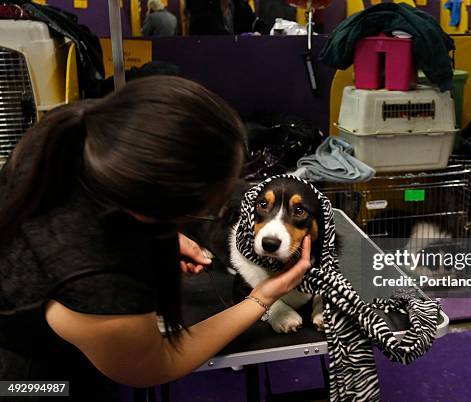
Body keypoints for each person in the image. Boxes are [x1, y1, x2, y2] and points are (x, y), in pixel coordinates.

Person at [0, 76, 311, 401]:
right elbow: (155, 364)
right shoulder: (99, 280)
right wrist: (262, 298)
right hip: (27, 384)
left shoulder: (91, 133)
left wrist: (158, 236)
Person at [184, 0, 264, 35]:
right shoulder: (200, 5)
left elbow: (257, 25)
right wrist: (240, 39)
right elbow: (210, 30)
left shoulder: (241, 6)